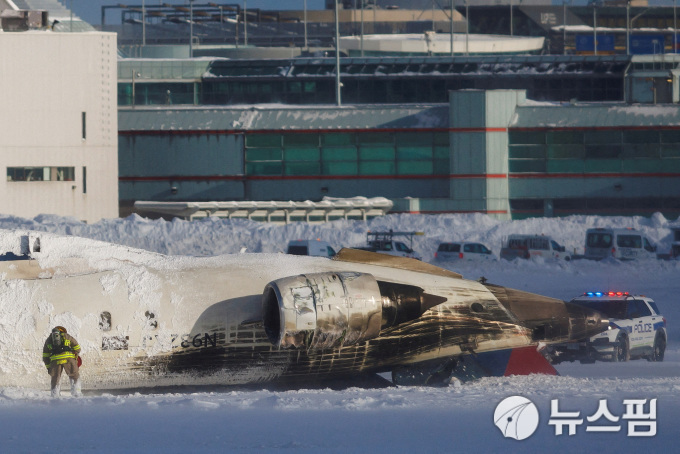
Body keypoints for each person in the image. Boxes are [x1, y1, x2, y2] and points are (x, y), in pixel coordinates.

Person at [42, 326, 82, 397]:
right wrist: (74, 354)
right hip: (68, 359)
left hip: (55, 361)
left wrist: (49, 367)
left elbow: (45, 356)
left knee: (55, 378)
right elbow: (77, 347)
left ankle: (55, 395)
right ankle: (77, 393)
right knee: (74, 375)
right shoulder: (67, 336)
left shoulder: (48, 340)